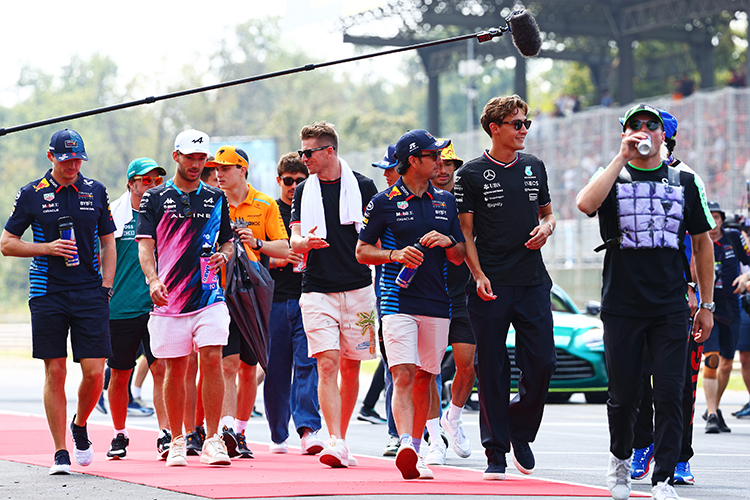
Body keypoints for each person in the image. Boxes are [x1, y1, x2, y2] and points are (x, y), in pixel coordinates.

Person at [576, 103, 715, 500]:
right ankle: (619, 462)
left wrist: (706, 304)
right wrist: (620, 156)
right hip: (621, 303)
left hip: (670, 305)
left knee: (671, 392)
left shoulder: (686, 180)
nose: (642, 131)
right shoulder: (612, 176)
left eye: (650, 125)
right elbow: (586, 205)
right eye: (634, 125)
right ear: (624, 133)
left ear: (663, 135)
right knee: (623, 394)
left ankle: (664, 478)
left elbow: (703, 244)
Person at [0, 129, 116, 474]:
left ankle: (79, 424)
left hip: (90, 292)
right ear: (51, 157)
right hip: (47, 292)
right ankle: (60, 451)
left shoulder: (95, 190)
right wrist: (46, 248)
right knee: (56, 369)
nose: (72, 165)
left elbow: (108, 243)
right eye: (66, 159)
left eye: (78, 159)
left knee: (96, 372)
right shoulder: (31, 194)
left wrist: (106, 285)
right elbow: (7, 243)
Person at [453, 95, 557, 481]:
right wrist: (478, 275)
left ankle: (519, 428)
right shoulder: (471, 174)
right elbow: (465, 232)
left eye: (526, 123)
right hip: (490, 284)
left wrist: (546, 228)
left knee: (544, 362)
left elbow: (549, 215)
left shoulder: (534, 166)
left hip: (532, 281)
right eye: (517, 124)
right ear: (495, 128)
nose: (524, 130)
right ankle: (495, 451)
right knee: (492, 368)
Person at [357, 129, 465, 480]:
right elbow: (362, 251)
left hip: (438, 302)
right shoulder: (383, 201)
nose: (440, 161)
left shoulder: (446, 202)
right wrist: (395, 254)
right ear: (414, 161)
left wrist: (448, 240)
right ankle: (405, 442)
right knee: (401, 373)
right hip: (396, 300)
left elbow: (460, 257)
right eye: (433, 156)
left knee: (426, 378)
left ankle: (416, 448)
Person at [136, 129, 235, 467]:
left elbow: (227, 241)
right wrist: (152, 280)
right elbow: (145, 246)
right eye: (190, 157)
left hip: (210, 296)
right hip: (170, 301)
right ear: (176, 156)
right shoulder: (154, 198)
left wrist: (225, 254)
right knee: (175, 369)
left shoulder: (216, 197)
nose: (196, 164)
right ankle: (177, 439)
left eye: (201, 158)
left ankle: (213, 438)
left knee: (212, 359)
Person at [290, 121, 379, 468]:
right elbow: (295, 237)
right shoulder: (303, 190)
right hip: (316, 290)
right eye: (301, 152)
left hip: (359, 288)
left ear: (329, 151)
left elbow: (377, 236)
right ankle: (336, 440)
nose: (303, 159)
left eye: (308, 152)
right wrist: (303, 243)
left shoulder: (364, 186)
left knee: (352, 366)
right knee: (327, 364)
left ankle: (342, 439)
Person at [214, 145, 290, 458]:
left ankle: (241, 433)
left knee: (248, 367)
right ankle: (226, 429)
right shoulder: (211, 202)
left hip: (251, 295)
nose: (219, 174)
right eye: (216, 168)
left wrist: (256, 242)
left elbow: (284, 249)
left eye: (226, 168)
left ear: (242, 170)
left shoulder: (265, 203)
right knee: (226, 364)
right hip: (215, 294)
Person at [106, 157, 170, 460]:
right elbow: (98, 259)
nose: (151, 185)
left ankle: (166, 433)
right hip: (120, 308)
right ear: (130, 182)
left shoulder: (164, 213)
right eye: (145, 180)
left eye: (157, 180)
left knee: (162, 369)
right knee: (120, 373)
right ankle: (119, 433)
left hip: (158, 306)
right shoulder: (113, 216)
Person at [264, 152, 325, 455]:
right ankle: (278, 434)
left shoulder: (315, 210)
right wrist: (274, 258)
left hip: (308, 297)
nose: (293, 186)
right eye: (288, 181)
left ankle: (308, 429)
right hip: (274, 299)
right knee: (275, 369)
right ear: (279, 181)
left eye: (300, 181)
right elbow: (253, 252)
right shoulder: (269, 210)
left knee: (308, 365)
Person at [423, 142, 476, 466]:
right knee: (427, 369)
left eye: (449, 164)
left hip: (463, 294)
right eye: (437, 163)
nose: (443, 170)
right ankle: (433, 438)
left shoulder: (467, 198)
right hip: (427, 293)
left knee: (467, 365)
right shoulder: (417, 198)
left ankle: (452, 418)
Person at [702, 200, 749, 433]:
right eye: (709, 217)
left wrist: (746, 278)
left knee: (727, 363)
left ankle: (715, 407)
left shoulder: (733, 237)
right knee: (711, 359)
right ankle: (711, 414)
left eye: (717, 217)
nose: (713, 222)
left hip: (732, 309)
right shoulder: (698, 239)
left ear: (722, 219)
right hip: (708, 308)